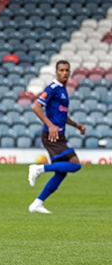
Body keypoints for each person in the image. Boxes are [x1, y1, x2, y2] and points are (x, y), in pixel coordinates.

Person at [27, 60, 85, 214]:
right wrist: (51, 125)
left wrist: (76, 125)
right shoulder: (52, 88)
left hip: (59, 134)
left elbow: (62, 115)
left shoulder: (63, 90)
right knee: (75, 164)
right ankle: (39, 168)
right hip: (52, 135)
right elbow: (36, 107)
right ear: (56, 72)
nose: (65, 73)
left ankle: (37, 204)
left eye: (67, 70)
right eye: (62, 70)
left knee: (61, 172)